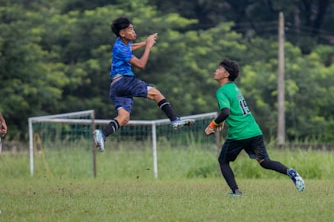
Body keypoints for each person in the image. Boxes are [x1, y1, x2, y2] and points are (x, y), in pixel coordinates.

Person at [205, 59, 305, 196]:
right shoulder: (234, 88)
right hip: (254, 131)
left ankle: (236, 191)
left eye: (219, 69)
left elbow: (226, 112)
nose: (215, 71)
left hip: (239, 134)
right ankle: (290, 172)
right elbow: (230, 110)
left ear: (226, 74)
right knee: (265, 162)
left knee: (223, 161)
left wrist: (212, 125)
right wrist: (222, 120)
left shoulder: (222, 91)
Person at [94, 17, 194, 152]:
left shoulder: (122, 42)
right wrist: (148, 46)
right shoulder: (120, 49)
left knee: (124, 118)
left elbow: (131, 47)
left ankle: (102, 134)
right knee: (156, 94)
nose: (134, 32)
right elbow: (141, 65)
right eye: (130, 29)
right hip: (125, 81)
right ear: (122, 33)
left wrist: (145, 42)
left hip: (116, 87)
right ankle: (174, 120)